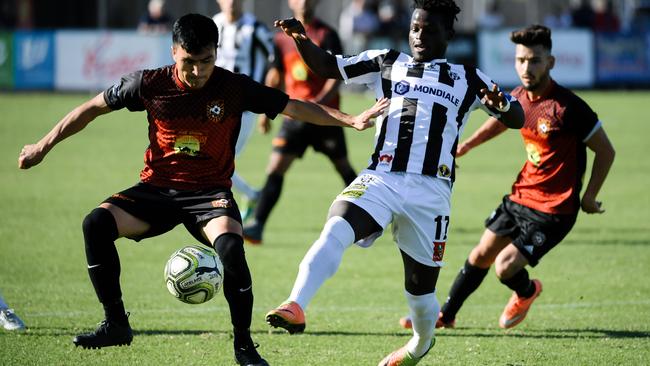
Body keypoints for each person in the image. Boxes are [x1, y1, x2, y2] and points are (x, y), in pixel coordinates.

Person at [18, 13, 387, 366]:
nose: (198, 71)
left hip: (209, 195)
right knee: (95, 223)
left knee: (231, 248)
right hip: (157, 190)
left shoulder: (233, 87)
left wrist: (349, 119)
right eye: (189, 62)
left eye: (206, 61)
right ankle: (116, 323)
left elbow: (293, 106)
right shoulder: (148, 83)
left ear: (216, 52)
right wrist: (42, 146)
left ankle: (244, 346)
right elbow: (91, 108)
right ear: (174, 51)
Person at [265, 1, 525, 364]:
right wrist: (300, 39)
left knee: (420, 295)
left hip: (430, 193)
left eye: (429, 29)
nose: (419, 35)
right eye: (415, 28)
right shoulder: (386, 61)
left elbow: (517, 116)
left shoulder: (470, 78)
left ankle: (420, 344)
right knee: (337, 226)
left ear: (448, 34)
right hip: (380, 179)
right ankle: (295, 303)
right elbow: (327, 65)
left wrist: (506, 106)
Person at [399, 24, 615, 331]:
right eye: (521, 60)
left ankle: (527, 291)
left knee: (504, 266)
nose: (526, 67)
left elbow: (606, 150)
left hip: (555, 209)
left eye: (535, 60)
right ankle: (445, 316)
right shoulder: (519, 97)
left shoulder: (568, 108)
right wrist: (468, 145)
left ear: (550, 62)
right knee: (481, 254)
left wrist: (590, 195)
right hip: (520, 196)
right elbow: (500, 122)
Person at [242, 0, 357, 245]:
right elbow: (276, 75)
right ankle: (257, 226)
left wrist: (319, 104)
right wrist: (264, 113)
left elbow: (336, 74)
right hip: (294, 115)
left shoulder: (327, 34)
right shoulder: (280, 39)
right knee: (275, 168)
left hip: (326, 116)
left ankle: (374, 215)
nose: (303, 1)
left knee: (344, 168)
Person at [213, 0, 276, 220]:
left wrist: (267, 104)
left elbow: (276, 60)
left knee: (221, 161)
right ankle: (249, 195)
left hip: (245, 106)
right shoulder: (215, 24)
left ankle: (236, 202)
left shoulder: (255, 28)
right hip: (215, 106)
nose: (231, 2)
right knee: (215, 160)